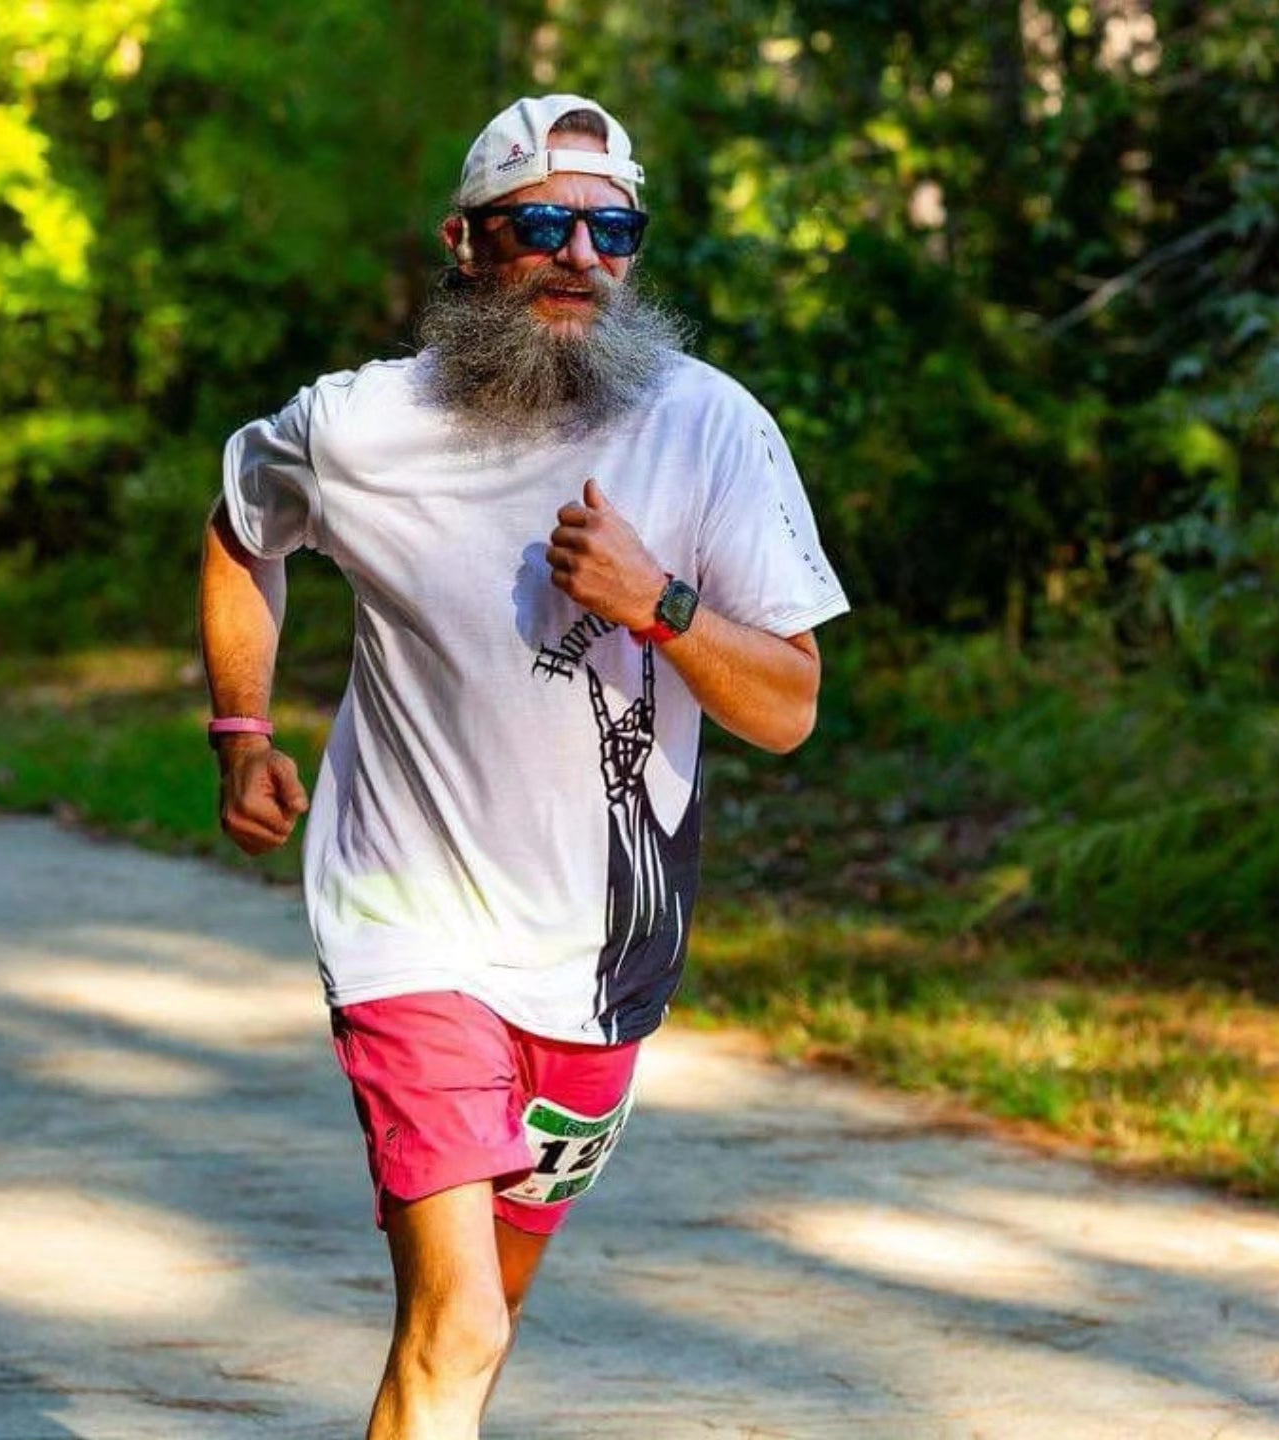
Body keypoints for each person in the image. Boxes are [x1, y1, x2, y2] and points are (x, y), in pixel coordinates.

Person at [199, 93, 848, 1440]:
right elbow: (237, 526)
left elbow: (787, 707)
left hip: (603, 956)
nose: (580, 255)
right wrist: (241, 728)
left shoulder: (711, 427)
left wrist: (657, 601)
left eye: (613, 228)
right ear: (467, 240)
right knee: (463, 1323)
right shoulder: (356, 426)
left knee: (471, 1327)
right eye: (541, 223)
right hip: (404, 924)